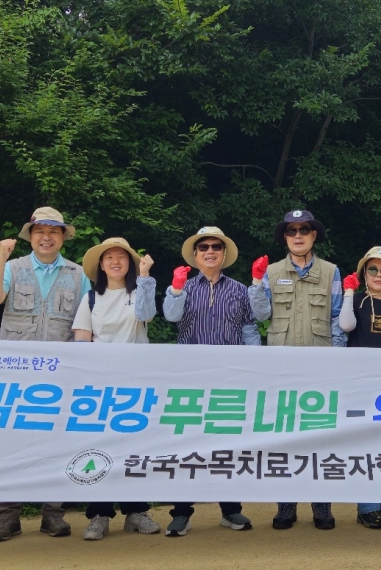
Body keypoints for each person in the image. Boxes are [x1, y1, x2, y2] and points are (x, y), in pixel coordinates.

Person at [0, 206, 91, 541]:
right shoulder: (13, 267)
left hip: (60, 375)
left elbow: (85, 323)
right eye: (40, 231)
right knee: (9, 443)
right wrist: (1, 256)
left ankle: (52, 514)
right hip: (15, 374)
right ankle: (7, 516)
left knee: (56, 442)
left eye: (53, 231)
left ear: (63, 237)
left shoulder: (77, 274)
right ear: (30, 236)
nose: (46, 237)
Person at [248, 209, 344, 531]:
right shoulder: (271, 272)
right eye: (292, 231)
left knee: (322, 436)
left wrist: (337, 359)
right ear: (285, 237)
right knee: (284, 436)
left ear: (314, 235)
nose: (298, 235)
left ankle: (322, 506)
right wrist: (255, 283)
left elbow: (337, 318)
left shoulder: (331, 271)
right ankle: (286, 505)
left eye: (304, 230)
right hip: (282, 366)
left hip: (321, 364)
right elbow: (261, 315)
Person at [161, 225, 258, 537]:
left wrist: (255, 367)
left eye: (216, 246)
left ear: (224, 253)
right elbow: (171, 316)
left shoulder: (240, 290)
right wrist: (176, 289)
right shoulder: (183, 286)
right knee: (186, 445)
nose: (210, 251)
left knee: (228, 444)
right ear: (195, 255)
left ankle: (231, 510)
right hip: (190, 378)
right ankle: (181, 513)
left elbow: (249, 330)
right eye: (204, 247)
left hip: (230, 378)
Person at [71, 237, 162, 540]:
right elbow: (81, 340)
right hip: (99, 385)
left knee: (134, 448)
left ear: (130, 263)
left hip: (137, 382)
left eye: (121, 257)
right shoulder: (90, 298)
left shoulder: (140, 291)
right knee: (99, 447)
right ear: (100, 264)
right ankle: (99, 515)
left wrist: (145, 276)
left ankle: (137, 512)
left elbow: (146, 315)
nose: (115, 261)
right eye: (109, 257)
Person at [339, 246, 381, 529]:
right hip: (359, 383)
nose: (379, 275)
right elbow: (345, 326)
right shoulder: (355, 301)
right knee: (364, 444)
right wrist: (348, 293)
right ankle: (366, 507)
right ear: (364, 273)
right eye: (373, 269)